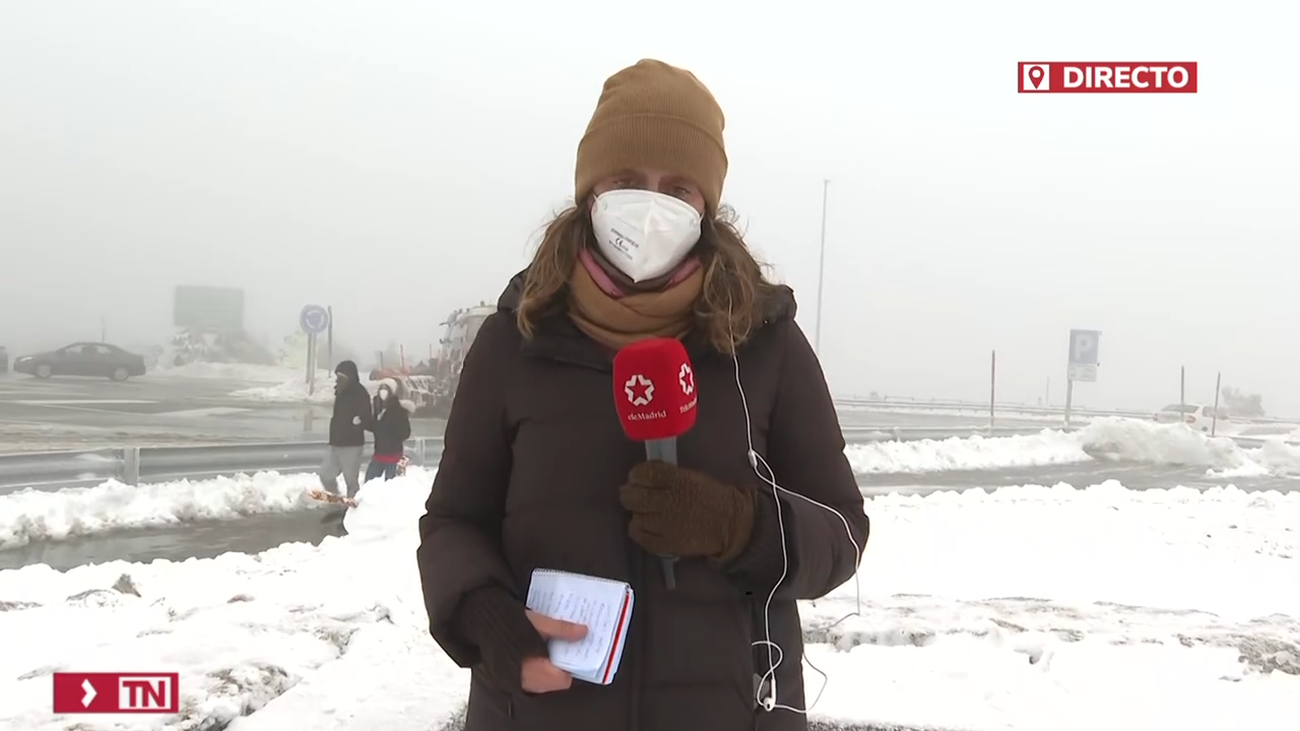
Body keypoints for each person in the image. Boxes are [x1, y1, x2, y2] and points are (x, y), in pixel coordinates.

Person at [417, 59, 869, 731]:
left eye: (678, 187)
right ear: (590, 190)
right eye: (628, 181)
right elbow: (453, 520)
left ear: (706, 206)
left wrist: (740, 526)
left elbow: (843, 531)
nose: (652, 205)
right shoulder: (515, 340)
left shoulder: (767, 346)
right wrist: (485, 613)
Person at [318, 360, 371, 499]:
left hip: (351, 445)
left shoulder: (360, 393)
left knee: (351, 481)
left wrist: (359, 421)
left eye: (341, 376)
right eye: (338, 376)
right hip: (336, 442)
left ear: (350, 376)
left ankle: (354, 508)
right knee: (325, 474)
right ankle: (335, 498)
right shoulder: (340, 391)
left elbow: (366, 417)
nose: (338, 379)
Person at [365, 377, 413, 481]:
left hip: (393, 455)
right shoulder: (378, 408)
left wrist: (392, 435)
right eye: (381, 389)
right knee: (369, 482)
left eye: (386, 389)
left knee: (391, 485)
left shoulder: (399, 411)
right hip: (379, 453)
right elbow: (375, 426)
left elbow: (406, 432)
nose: (383, 392)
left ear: (391, 391)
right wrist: (363, 423)